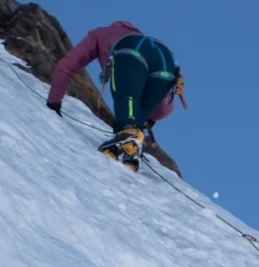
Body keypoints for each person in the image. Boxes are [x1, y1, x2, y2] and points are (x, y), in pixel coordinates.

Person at [47, 22, 184, 173]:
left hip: (130, 50)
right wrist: (147, 117)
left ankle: (128, 133)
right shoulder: (145, 41)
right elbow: (162, 111)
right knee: (136, 117)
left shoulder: (100, 33)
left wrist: (54, 103)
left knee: (126, 97)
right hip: (166, 60)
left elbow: (66, 66)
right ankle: (131, 147)